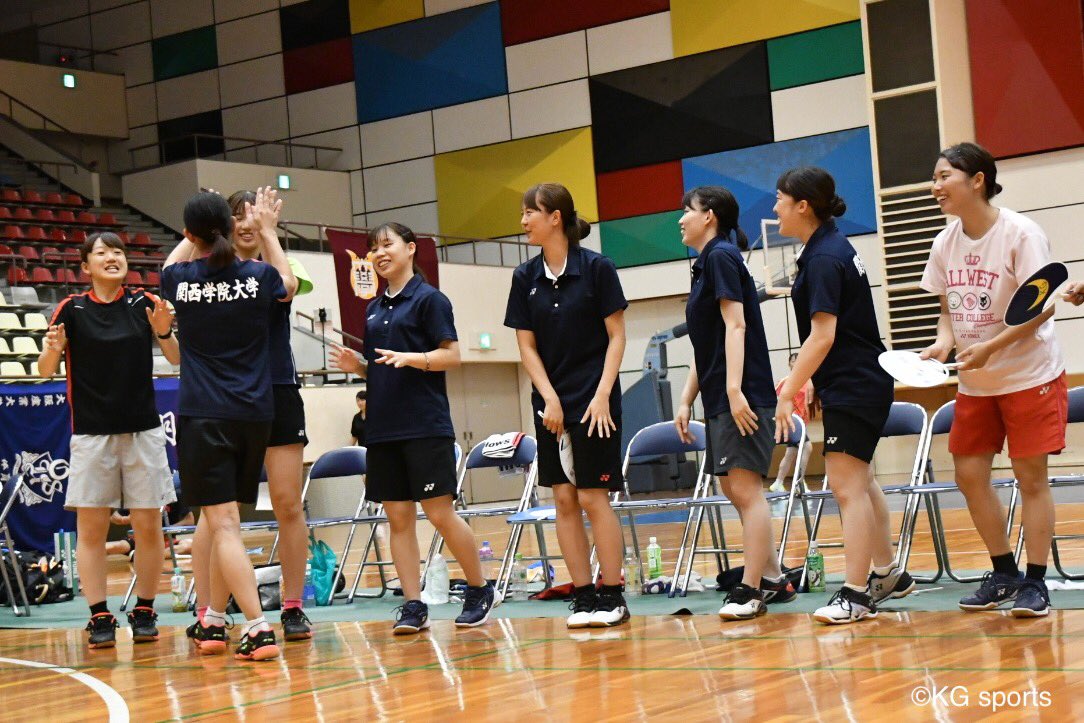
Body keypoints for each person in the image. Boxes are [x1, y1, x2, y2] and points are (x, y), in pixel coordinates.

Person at [329, 222, 499, 634]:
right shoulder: (372, 309)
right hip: (383, 429)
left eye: (387, 244)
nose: (379, 253)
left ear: (410, 248)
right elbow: (384, 365)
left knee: (439, 513)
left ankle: (479, 589)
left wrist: (413, 357)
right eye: (373, 248)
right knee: (397, 519)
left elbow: (452, 356)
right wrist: (361, 367)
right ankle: (411, 604)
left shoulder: (429, 300)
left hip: (424, 424)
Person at [920, 142, 1067, 617]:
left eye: (944, 176)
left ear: (976, 180)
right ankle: (1003, 573)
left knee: (1030, 478)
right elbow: (947, 306)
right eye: (935, 177)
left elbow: (1041, 308)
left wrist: (990, 347)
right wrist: (945, 341)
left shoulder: (1021, 233)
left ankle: (1036, 583)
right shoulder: (946, 241)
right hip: (976, 383)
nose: (935, 185)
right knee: (968, 474)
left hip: (1029, 375)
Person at [772, 167, 915, 625]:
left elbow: (823, 336)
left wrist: (788, 390)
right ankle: (887, 573)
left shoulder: (823, 258)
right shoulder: (830, 248)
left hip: (855, 383)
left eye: (780, 200)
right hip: (856, 379)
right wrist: (814, 379)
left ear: (802, 206)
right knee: (862, 480)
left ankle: (855, 594)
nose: (774, 208)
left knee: (847, 487)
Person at [161, 188, 292, 661]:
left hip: (205, 415)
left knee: (223, 527)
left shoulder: (180, 279)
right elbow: (289, 283)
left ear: (191, 234)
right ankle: (214, 621)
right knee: (226, 523)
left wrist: (193, 232)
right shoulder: (257, 275)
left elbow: (168, 264)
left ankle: (256, 628)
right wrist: (271, 233)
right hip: (253, 415)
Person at [184, 189, 316, 644]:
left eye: (251, 215)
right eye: (235, 216)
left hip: (276, 391)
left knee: (287, 503)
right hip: (227, 400)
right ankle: (209, 613)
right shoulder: (208, 273)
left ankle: (293, 606)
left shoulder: (278, 267)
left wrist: (269, 233)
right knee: (217, 515)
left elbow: (289, 287)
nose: (245, 223)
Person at [37, 231, 179, 649]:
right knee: (91, 531)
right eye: (102, 253)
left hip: (143, 432)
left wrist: (165, 332)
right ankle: (99, 614)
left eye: (118, 251)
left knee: (149, 528)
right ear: (86, 266)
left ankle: (145, 608)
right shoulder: (71, 310)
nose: (112, 257)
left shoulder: (144, 305)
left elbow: (176, 359)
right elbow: (46, 370)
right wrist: (53, 348)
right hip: (91, 436)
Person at [504, 183, 631, 629]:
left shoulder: (597, 269)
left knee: (594, 495)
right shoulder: (524, 277)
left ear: (555, 217)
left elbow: (617, 336)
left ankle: (612, 593)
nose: (523, 222)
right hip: (551, 404)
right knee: (562, 497)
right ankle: (582, 595)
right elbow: (526, 345)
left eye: (529, 213)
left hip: (596, 399)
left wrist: (601, 394)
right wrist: (550, 397)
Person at [674, 186, 795, 621]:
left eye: (687, 211)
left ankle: (750, 591)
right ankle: (777, 579)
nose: (680, 218)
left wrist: (734, 390)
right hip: (722, 396)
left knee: (746, 490)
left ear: (709, 217)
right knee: (734, 488)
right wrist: (688, 398)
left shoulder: (722, 256)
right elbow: (706, 344)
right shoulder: (704, 264)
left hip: (743, 396)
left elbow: (736, 324)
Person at [769, 352, 814, 493]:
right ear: (789, 364)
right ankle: (800, 483)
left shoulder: (809, 382)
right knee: (807, 447)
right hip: (791, 422)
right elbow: (774, 399)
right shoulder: (786, 382)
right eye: (794, 360)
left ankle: (778, 483)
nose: (796, 362)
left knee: (791, 453)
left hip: (802, 423)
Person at [106, 501, 195, 558]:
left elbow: (189, 520)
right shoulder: (141, 497)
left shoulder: (175, 494)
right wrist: (124, 519)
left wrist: (165, 530)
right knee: (115, 546)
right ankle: (144, 555)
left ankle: (142, 556)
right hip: (142, 538)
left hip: (169, 539)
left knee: (189, 546)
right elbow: (113, 517)